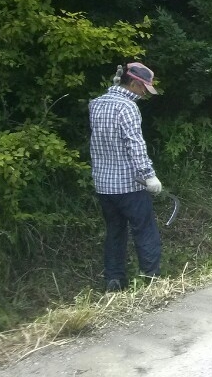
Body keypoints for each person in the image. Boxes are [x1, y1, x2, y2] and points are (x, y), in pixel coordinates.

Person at [89, 62, 163, 292]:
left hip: (104, 186)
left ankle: (115, 281)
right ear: (133, 83)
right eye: (143, 89)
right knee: (145, 229)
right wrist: (150, 176)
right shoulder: (128, 108)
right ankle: (151, 281)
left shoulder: (96, 104)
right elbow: (135, 145)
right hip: (129, 186)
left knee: (115, 232)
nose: (143, 94)